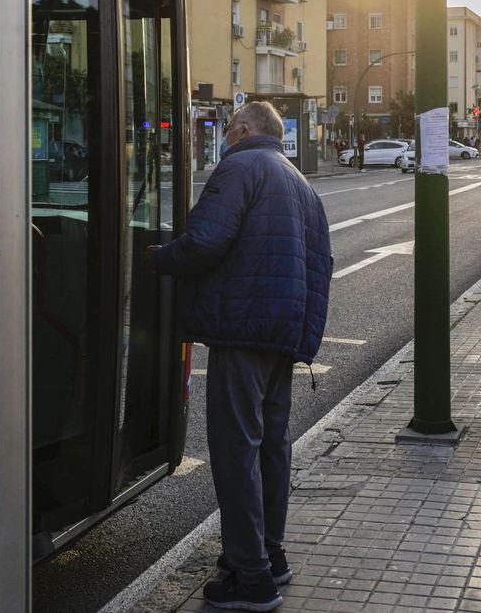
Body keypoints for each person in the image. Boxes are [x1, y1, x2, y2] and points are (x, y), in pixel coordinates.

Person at [149, 101, 331, 612]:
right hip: (284, 334)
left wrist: (156, 260)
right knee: (273, 446)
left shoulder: (240, 166)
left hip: (243, 328)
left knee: (235, 452)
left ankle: (250, 578)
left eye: (228, 129)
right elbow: (321, 263)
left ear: (244, 130)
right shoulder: (299, 180)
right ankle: (270, 555)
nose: (225, 138)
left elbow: (205, 241)